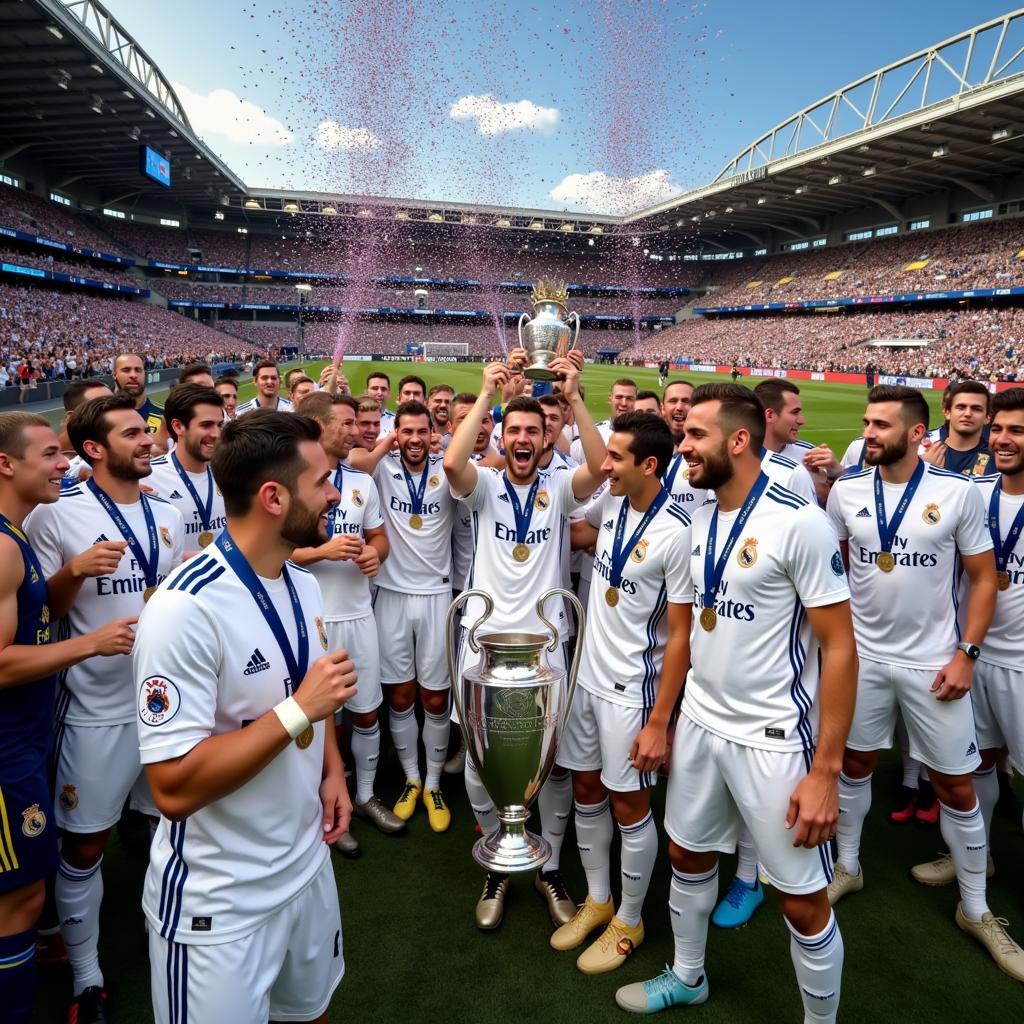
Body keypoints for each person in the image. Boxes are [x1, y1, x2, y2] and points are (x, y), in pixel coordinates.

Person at [616, 383, 857, 1020]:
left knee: (801, 899)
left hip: (774, 737)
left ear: (739, 440)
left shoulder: (799, 522)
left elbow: (840, 649)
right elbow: (688, 631)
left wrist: (826, 772)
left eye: (694, 435)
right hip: (699, 722)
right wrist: (662, 721)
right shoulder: (698, 517)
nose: (681, 447)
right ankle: (687, 975)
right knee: (687, 855)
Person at [133, 410, 357, 1023]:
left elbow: (316, 688)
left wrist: (332, 769)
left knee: (312, 1014)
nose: (337, 492)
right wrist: (297, 710)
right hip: (220, 902)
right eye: (323, 482)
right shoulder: (185, 610)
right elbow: (172, 787)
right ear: (274, 497)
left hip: (306, 866)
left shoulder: (300, 581)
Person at [825, 384, 1024, 979]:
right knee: (854, 766)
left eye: (882, 424)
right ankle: (849, 866)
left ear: (916, 434)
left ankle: (976, 908)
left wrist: (966, 652)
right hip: (862, 661)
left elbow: (983, 579)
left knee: (957, 786)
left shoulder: (956, 493)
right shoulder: (846, 489)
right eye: (867, 422)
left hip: (933, 663)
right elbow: (837, 573)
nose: (869, 432)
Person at [24, 392, 185, 1023]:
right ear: (94, 449)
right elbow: (39, 615)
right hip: (94, 710)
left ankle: (162, 933)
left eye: (146, 433)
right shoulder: (56, 518)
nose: (148, 441)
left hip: (165, 705)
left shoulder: (166, 511)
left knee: (164, 829)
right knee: (86, 847)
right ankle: (87, 977)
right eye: (131, 435)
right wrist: (75, 572)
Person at [444, 350, 606, 932]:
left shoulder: (560, 487)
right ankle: (498, 861)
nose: (521, 439)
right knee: (478, 766)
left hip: (545, 645)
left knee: (555, 765)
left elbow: (603, 464)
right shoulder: (484, 485)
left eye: (532, 431)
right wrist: (487, 394)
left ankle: (550, 866)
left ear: (544, 439)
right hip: (483, 644)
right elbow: (451, 463)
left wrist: (577, 397)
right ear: (503, 436)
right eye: (513, 431)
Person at [0, 413, 135, 1024]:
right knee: (22, 893)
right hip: (13, 744)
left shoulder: (17, 534)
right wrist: (88, 643)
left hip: (33, 733)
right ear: (8, 464)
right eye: (51, 454)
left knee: (29, 889)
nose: (65, 465)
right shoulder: (5, 546)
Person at [555, 412, 691, 975]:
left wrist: (660, 721)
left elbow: (682, 634)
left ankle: (630, 918)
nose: (603, 465)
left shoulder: (677, 533)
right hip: (585, 675)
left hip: (632, 691)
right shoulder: (610, 503)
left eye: (615, 457)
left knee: (629, 805)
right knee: (586, 787)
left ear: (648, 465)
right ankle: (599, 898)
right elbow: (573, 532)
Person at [910, 387, 1024, 891]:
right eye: (997, 428)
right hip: (971, 656)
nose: (1001, 438)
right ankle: (977, 858)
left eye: (1016, 430)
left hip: (1021, 664)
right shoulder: (975, 493)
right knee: (975, 762)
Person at [292, 393, 400, 848]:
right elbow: (277, 549)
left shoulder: (362, 481)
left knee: (366, 708)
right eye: (346, 423)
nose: (356, 431)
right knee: (320, 718)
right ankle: (325, 807)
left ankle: (367, 795)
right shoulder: (293, 479)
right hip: (312, 617)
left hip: (359, 612)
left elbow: (379, 536)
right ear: (318, 425)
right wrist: (323, 551)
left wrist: (375, 555)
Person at [372, 400, 457, 832]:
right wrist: (387, 440)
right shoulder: (382, 468)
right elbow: (353, 461)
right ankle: (411, 778)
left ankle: (435, 784)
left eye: (422, 431)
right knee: (401, 697)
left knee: (436, 698)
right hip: (391, 594)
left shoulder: (449, 469)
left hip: (438, 596)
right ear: (397, 434)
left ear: (433, 432)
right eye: (406, 432)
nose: (414, 440)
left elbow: (490, 464)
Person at [147, 385, 228, 556]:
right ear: (178, 427)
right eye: (206, 425)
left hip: (225, 580)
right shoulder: (148, 477)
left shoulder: (230, 473)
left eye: (220, 425)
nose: (216, 434)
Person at [922, 379, 992, 477]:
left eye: (976, 409)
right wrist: (922, 470)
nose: (967, 414)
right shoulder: (923, 453)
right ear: (947, 413)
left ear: (987, 417)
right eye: (961, 407)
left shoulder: (997, 459)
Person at [112, 352, 169, 447]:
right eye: (126, 370)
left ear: (144, 374)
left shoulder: (164, 415)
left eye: (138, 370)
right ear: (114, 375)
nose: (133, 375)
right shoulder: (101, 416)